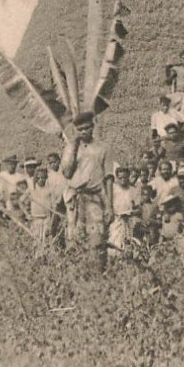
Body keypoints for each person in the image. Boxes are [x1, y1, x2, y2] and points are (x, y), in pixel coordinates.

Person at [61, 112, 112, 268]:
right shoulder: (71, 148)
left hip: (95, 197)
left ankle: (98, 273)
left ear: (92, 127)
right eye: (80, 129)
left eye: (87, 128)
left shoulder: (103, 148)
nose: (84, 132)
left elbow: (108, 177)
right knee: (74, 239)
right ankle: (78, 274)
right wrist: (74, 147)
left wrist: (109, 205)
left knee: (96, 239)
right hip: (75, 199)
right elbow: (67, 173)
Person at [109, 165, 140, 252]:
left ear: (128, 177)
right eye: (120, 178)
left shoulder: (133, 190)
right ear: (117, 178)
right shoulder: (113, 188)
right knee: (115, 242)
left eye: (125, 177)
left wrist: (131, 213)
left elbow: (138, 207)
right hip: (115, 220)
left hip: (129, 220)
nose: (123, 180)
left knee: (128, 242)